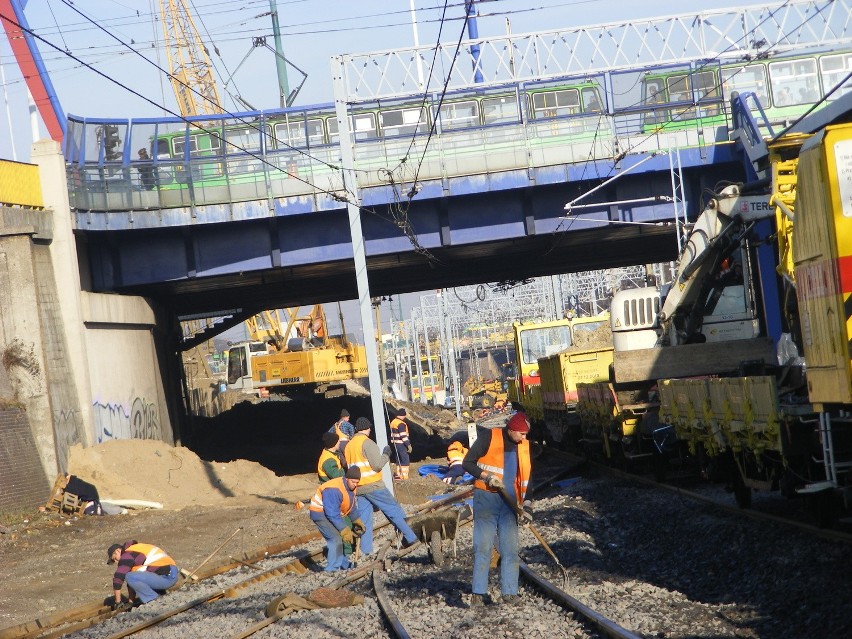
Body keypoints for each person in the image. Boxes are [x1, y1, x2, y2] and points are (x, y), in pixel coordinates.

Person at [462, 410, 533, 607]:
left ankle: (509, 593)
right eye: (521, 434)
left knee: (510, 550)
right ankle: (478, 593)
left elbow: (528, 479)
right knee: (483, 547)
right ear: (511, 429)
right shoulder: (489, 437)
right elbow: (467, 463)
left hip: (509, 503)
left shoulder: (524, 446)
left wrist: (527, 507)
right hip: (486, 499)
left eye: (526, 434)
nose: (523, 438)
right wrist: (486, 476)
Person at [343, 416, 420, 554]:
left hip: (359, 488)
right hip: (374, 485)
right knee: (394, 510)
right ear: (366, 428)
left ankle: (366, 551)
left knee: (365, 520)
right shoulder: (367, 443)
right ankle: (411, 538)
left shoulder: (349, 445)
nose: (370, 430)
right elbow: (377, 465)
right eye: (369, 428)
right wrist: (386, 454)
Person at [309, 466, 365, 571]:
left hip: (329, 512)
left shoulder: (351, 487)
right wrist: (344, 529)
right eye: (353, 482)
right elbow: (332, 513)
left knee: (338, 538)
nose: (355, 485)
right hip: (319, 512)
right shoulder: (334, 489)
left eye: (357, 482)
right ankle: (331, 570)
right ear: (347, 478)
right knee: (335, 539)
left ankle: (343, 565)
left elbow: (350, 505)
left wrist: (356, 520)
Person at [106, 540, 179, 610]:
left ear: (118, 551)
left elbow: (118, 579)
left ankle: (153, 599)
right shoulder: (134, 550)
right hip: (170, 573)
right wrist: (131, 602)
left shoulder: (127, 555)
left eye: (114, 558)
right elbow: (132, 583)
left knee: (129, 576)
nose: (116, 562)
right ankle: (159, 593)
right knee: (131, 576)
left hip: (167, 576)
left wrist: (118, 602)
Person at [390, 408, 412, 481]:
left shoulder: (393, 422)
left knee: (398, 459)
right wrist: (408, 445)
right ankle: (404, 476)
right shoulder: (401, 424)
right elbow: (403, 436)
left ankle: (398, 475)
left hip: (395, 444)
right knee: (405, 459)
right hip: (401, 444)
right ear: (402, 415)